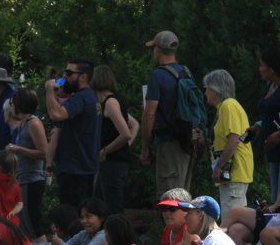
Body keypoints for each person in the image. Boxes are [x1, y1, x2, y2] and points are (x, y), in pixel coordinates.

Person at [193, 69, 254, 218]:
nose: (205, 91)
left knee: (231, 220)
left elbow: (234, 139)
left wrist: (219, 166)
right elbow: (226, 140)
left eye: (206, 87)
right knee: (234, 219)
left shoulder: (228, 105)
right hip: (231, 173)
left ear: (215, 89)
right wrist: (205, 141)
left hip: (233, 172)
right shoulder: (223, 108)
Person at [141, 30, 194, 196]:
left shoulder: (158, 75)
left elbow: (149, 115)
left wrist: (145, 148)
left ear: (157, 49)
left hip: (168, 142)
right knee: (183, 193)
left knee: (170, 196)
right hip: (187, 141)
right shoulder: (186, 72)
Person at [45, 58, 101, 206]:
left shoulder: (80, 98)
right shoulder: (89, 96)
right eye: (65, 72)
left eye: (69, 73)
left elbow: (56, 115)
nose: (65, 76)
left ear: (83, 77)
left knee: (72, 218)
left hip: (75, 169)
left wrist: (49, 90)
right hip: (81, 167)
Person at [245, 47, 280, 200]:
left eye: (262, 65)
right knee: (275, 195)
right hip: (273, 151)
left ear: (273, 68)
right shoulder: (271, 85)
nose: (259, 69)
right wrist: (260, 125)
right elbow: (272, 112)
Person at [5, 87, 48, 239]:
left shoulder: (34, 124)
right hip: (22, 180)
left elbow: (44, 153)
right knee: (24, 225)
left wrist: (18, 148)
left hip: (32, 180)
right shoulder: (23, 124)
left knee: (33, 227)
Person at [92, 65, 133, 216]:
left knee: (113, 209)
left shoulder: (110, 103)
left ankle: (122, 239)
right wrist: (123, 147)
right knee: (98, 206)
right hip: (109, 163)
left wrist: (106, 150)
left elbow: (126, 133)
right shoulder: (110, 102)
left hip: (112, 163)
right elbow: (134, 125)